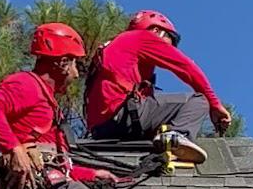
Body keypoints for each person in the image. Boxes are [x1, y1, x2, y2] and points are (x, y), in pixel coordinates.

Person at [0, 23, 134, 189]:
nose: (76, 74)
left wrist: (91, 174)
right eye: (75, 64)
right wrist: (14, 149)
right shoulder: (26, 84)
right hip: (43, 185)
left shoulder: (48, 102)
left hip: (54, 181)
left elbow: (57, 163)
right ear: (62, 63)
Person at [84, 9, 232, 163]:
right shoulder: (142, 37)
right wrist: (215, 105)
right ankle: (177, 137)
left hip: (100, 130)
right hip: (123, 115)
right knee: (198, 100)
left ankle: (163, 140)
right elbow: (187, 68)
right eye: (170, 40)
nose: (171, 48)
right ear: (156, 31)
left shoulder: (115, 46)